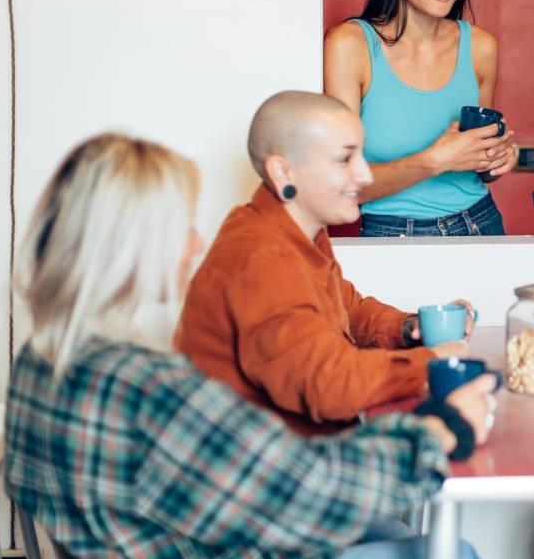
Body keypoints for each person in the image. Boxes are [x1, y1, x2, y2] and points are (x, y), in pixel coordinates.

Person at [4, 133, 515, 559]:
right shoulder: (145, 388)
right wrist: (439, 430)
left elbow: (188, 520)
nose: (195, 246)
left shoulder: (43, 364)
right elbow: (310, 484)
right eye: (180, 229)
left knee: (410, 545)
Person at [178, 91, 475, 437]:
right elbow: (329, 385)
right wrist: (431, 363)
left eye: (361, 155)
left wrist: (409, 328)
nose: (365, 175)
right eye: (344, 160)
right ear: (283, 172)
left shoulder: (293, 230)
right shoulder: (261, 256)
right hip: (265, 472)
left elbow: (344, 309)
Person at [324, 0, 517, 237]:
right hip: (390, 233)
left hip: (479, 224)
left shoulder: (481, 47)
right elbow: (339, 185)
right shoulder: (350, 46)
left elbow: (475, 161)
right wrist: (434, 160)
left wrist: (494, 160)